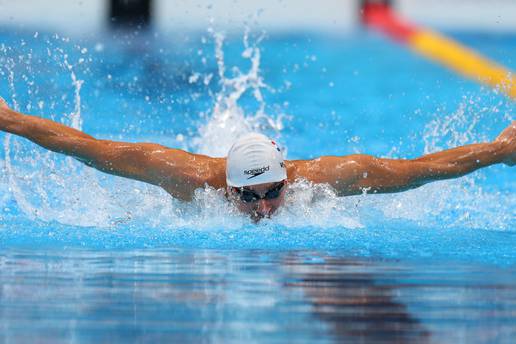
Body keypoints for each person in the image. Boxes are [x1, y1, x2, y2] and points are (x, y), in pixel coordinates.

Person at [0, 97, 514, 221]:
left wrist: (499, 151)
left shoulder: (326, 179)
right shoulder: (187, 178)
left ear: (287, 175)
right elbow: (88, 148)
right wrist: (11, 120)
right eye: (249, 195)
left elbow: (418, 172)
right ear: (227, 186)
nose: (265, 208)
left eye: (274, 191)